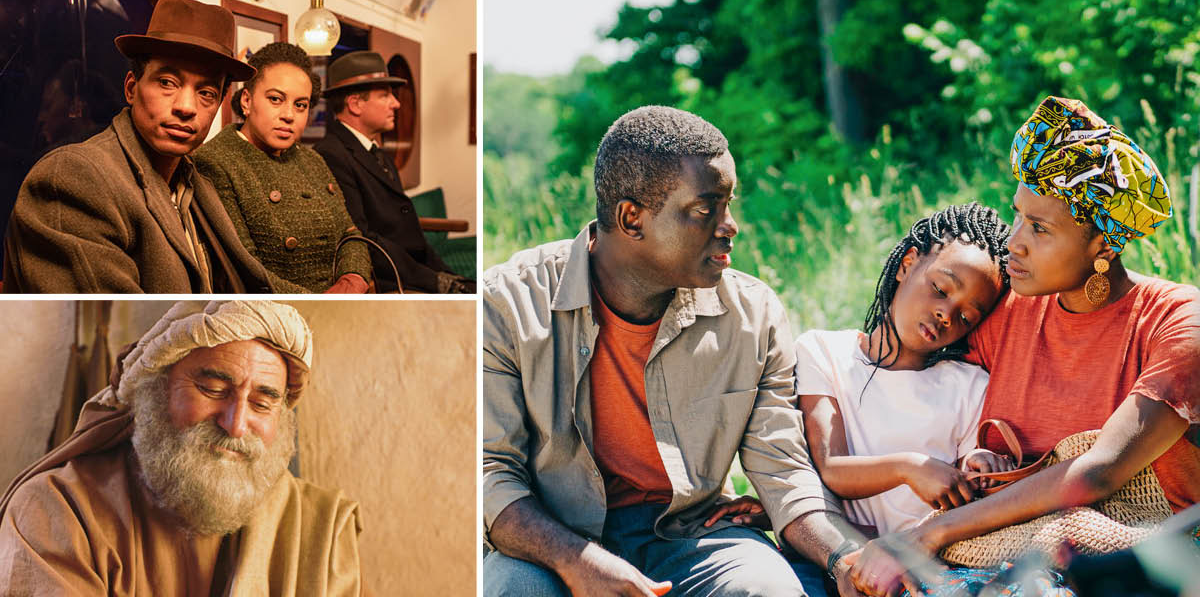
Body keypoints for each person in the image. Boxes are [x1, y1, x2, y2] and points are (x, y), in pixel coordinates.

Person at [483, 105, 870, 597]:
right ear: (632, 218)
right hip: (549, 541)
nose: (731, 226)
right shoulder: (507, 303)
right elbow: (491, 476)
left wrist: (842, 559)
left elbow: (783, 472)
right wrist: (576, 562)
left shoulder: (753, 314)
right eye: (706, 209)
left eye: (729, 205)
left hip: (693, 534)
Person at [847, 96, 1200, 596]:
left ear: (1104, 245)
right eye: (1018, 217)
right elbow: (892, 378)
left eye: (1039, 228)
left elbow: (1097, 473)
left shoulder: (1179, 320)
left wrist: (926, 534)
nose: (1014, 242)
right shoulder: (1004, 311)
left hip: (1141, 561)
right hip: (1008, 552)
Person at [0, 301, 364, 594]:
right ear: (156, 393)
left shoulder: (322, 530)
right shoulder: (56, 512)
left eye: (262, 403)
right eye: (213, 390)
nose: (236, 426)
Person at [2, 0, 273, 293]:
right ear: (131, 88)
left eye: (206, 92)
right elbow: (114, 328)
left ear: (219, 104)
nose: (186, 107)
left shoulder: (194, 182)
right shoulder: (75, 176)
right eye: (167, 82)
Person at [796, 203, 1014, 538]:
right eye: (941, 290)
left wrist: (982, 464)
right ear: (907, 264)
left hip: (930, 557)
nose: (946, 314)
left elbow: (966, 482)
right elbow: (830, 467)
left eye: (967, 317)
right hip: (844, 553)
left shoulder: (968, 385)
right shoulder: (824, 353)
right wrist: (910, 468)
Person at [194, 42, 373, 293]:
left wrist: (352, 280)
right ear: (246, 101)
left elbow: (350, 234)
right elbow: (248, 269)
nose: (289, 115)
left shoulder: (313, 160)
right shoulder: (215, 161)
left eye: (300, 105)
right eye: (276, 99)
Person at [314, 51, 474, 294]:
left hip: (414, 272)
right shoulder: (330, 155)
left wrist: (452, 278)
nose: (396, 103)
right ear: (356, 104)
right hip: (389, 280)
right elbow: (362, 238)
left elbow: (410, 233)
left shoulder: (380, 155)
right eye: (385, 95)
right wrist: (435, 282)